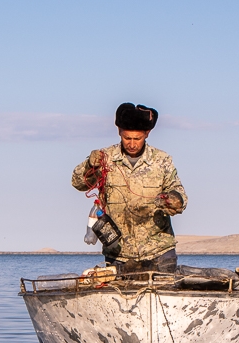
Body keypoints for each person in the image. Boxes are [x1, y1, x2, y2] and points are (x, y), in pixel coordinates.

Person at [71, 102, 188, 274]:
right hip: (118, 255)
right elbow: (78, 183)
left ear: (147, 134)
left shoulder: (161, 160)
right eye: (127, 138)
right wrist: (90, 165)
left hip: (159, 254)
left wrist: (175, 199)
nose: (132, 144)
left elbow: (179, 193)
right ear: (119, 132)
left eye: (137, 139)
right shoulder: (105, 158)